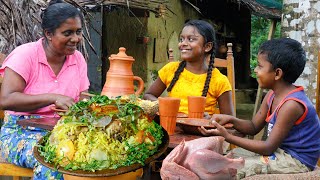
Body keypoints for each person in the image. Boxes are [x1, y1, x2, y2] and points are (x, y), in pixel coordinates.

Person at [200, 38, 320, 178]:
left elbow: (268, 147)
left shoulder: (291, 105)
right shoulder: (271, 94)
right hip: (278, 152)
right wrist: (231, 119)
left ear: (277, 74)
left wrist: (227, 136)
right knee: (227, 156)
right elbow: (253, 126)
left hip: (294, 159)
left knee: (231, 168)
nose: (255, 70)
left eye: (260, 66)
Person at [0, 0, 90, 179]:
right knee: (53, 158)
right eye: (67, 33)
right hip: (20, 132)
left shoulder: (77, 59)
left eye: (78, 32)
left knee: (95, 156)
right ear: (48, 33)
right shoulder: (25, 55)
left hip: (62, 131)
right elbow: (6, 100)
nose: (76, 39)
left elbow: (82, 98)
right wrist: (52, 97)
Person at [143, 20, 234, 116]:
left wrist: (211, 120)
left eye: (191, 39)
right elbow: (148, 95)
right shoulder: (171, 69)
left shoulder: (219, 81)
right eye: (181, 39)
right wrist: (166, 106)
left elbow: (229, 120)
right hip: (170, 128)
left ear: (207, 46)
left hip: (200, 130)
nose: (182, 44)